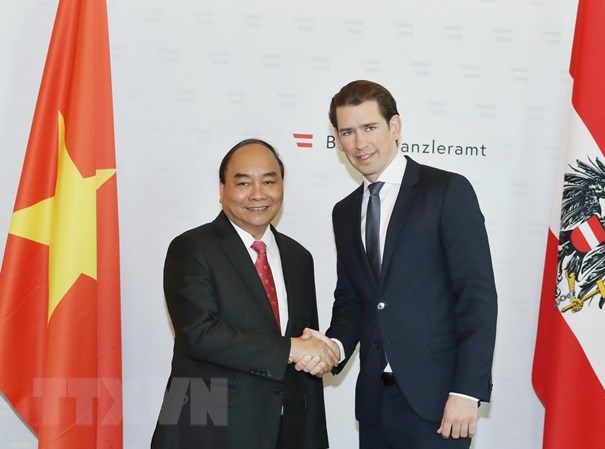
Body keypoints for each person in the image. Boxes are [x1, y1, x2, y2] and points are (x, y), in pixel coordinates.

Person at [299, 80, 497, 448]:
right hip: (375, 406)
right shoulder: (344, 212)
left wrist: (467, 391)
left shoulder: (446, 191)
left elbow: (476, 296)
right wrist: (334, 347)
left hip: (439, 404)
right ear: (337, 140)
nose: (360, 143)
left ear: (395, 126)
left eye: (369, 127)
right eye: (348, 132)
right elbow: (353, 299)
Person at [151, 139, 335, 449]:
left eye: (269, 181)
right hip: (208, 428)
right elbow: (199, 335)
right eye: (243, 183)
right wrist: (291, 349)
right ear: (222, 189)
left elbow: (305, 346)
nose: (258, 194)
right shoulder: (191, 248)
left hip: (286, 429)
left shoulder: (298, 257)